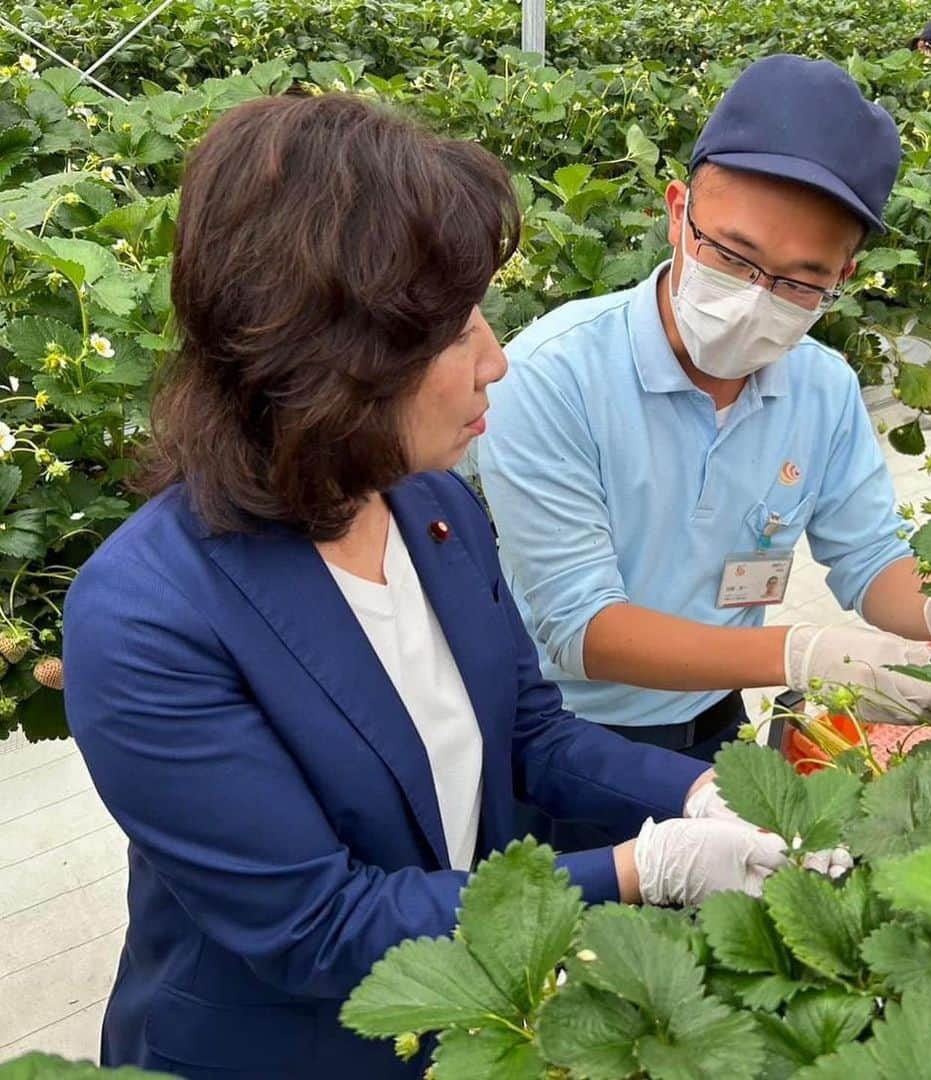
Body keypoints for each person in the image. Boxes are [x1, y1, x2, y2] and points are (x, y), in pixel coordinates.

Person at [61, 93, 840, 1080]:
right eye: (453, 331)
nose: (495, 362)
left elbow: (529, 736)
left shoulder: (433, 510)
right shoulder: (147, 618)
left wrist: (699, 791)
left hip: (472, 1024)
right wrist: (647, 869)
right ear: (330, 356)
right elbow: (316, 926)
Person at [477, 55, 931, 851]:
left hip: (712, 720)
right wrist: (800, 652)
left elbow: (871, 558)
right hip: (560, 740)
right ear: (678, 212)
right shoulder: (550, 376)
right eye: (733, 256)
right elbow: (583, 627)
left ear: (843, 276)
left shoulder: (823, 388)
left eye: (800, 281)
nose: (756, 294)